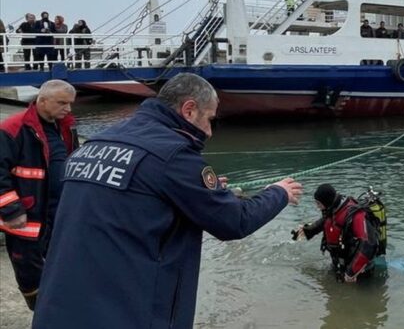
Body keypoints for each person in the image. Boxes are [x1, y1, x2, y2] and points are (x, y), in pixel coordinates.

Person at [31, 73, 303, 329]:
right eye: (209, 119)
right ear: (189, 110)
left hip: (58, 308)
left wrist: (204, 191)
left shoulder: (92, 146)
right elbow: (235, 221)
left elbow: (138, 195)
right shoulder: (173, 156)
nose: (209, 131)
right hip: (125, 315)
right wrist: (277, 192)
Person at [0, 80, 78, 310]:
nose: (68, 109)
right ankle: (41, 312)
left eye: (71, 104)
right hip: (27, 215)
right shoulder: (13, 129)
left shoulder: (65, 127)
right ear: (42, 101)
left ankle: (58, 310)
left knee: (59, 264)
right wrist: (11, 210)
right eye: (62, 103)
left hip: (58, 211)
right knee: (29, 271)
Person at [293, 184, 379, 283]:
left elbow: (368, 245)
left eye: (318, 204)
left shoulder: (355, 215)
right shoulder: (333, 208)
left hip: (360, 271)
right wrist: (307, 230)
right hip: (341, 264)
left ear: (327, 201)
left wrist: (351, 273)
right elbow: (327, 221)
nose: (317, 207)